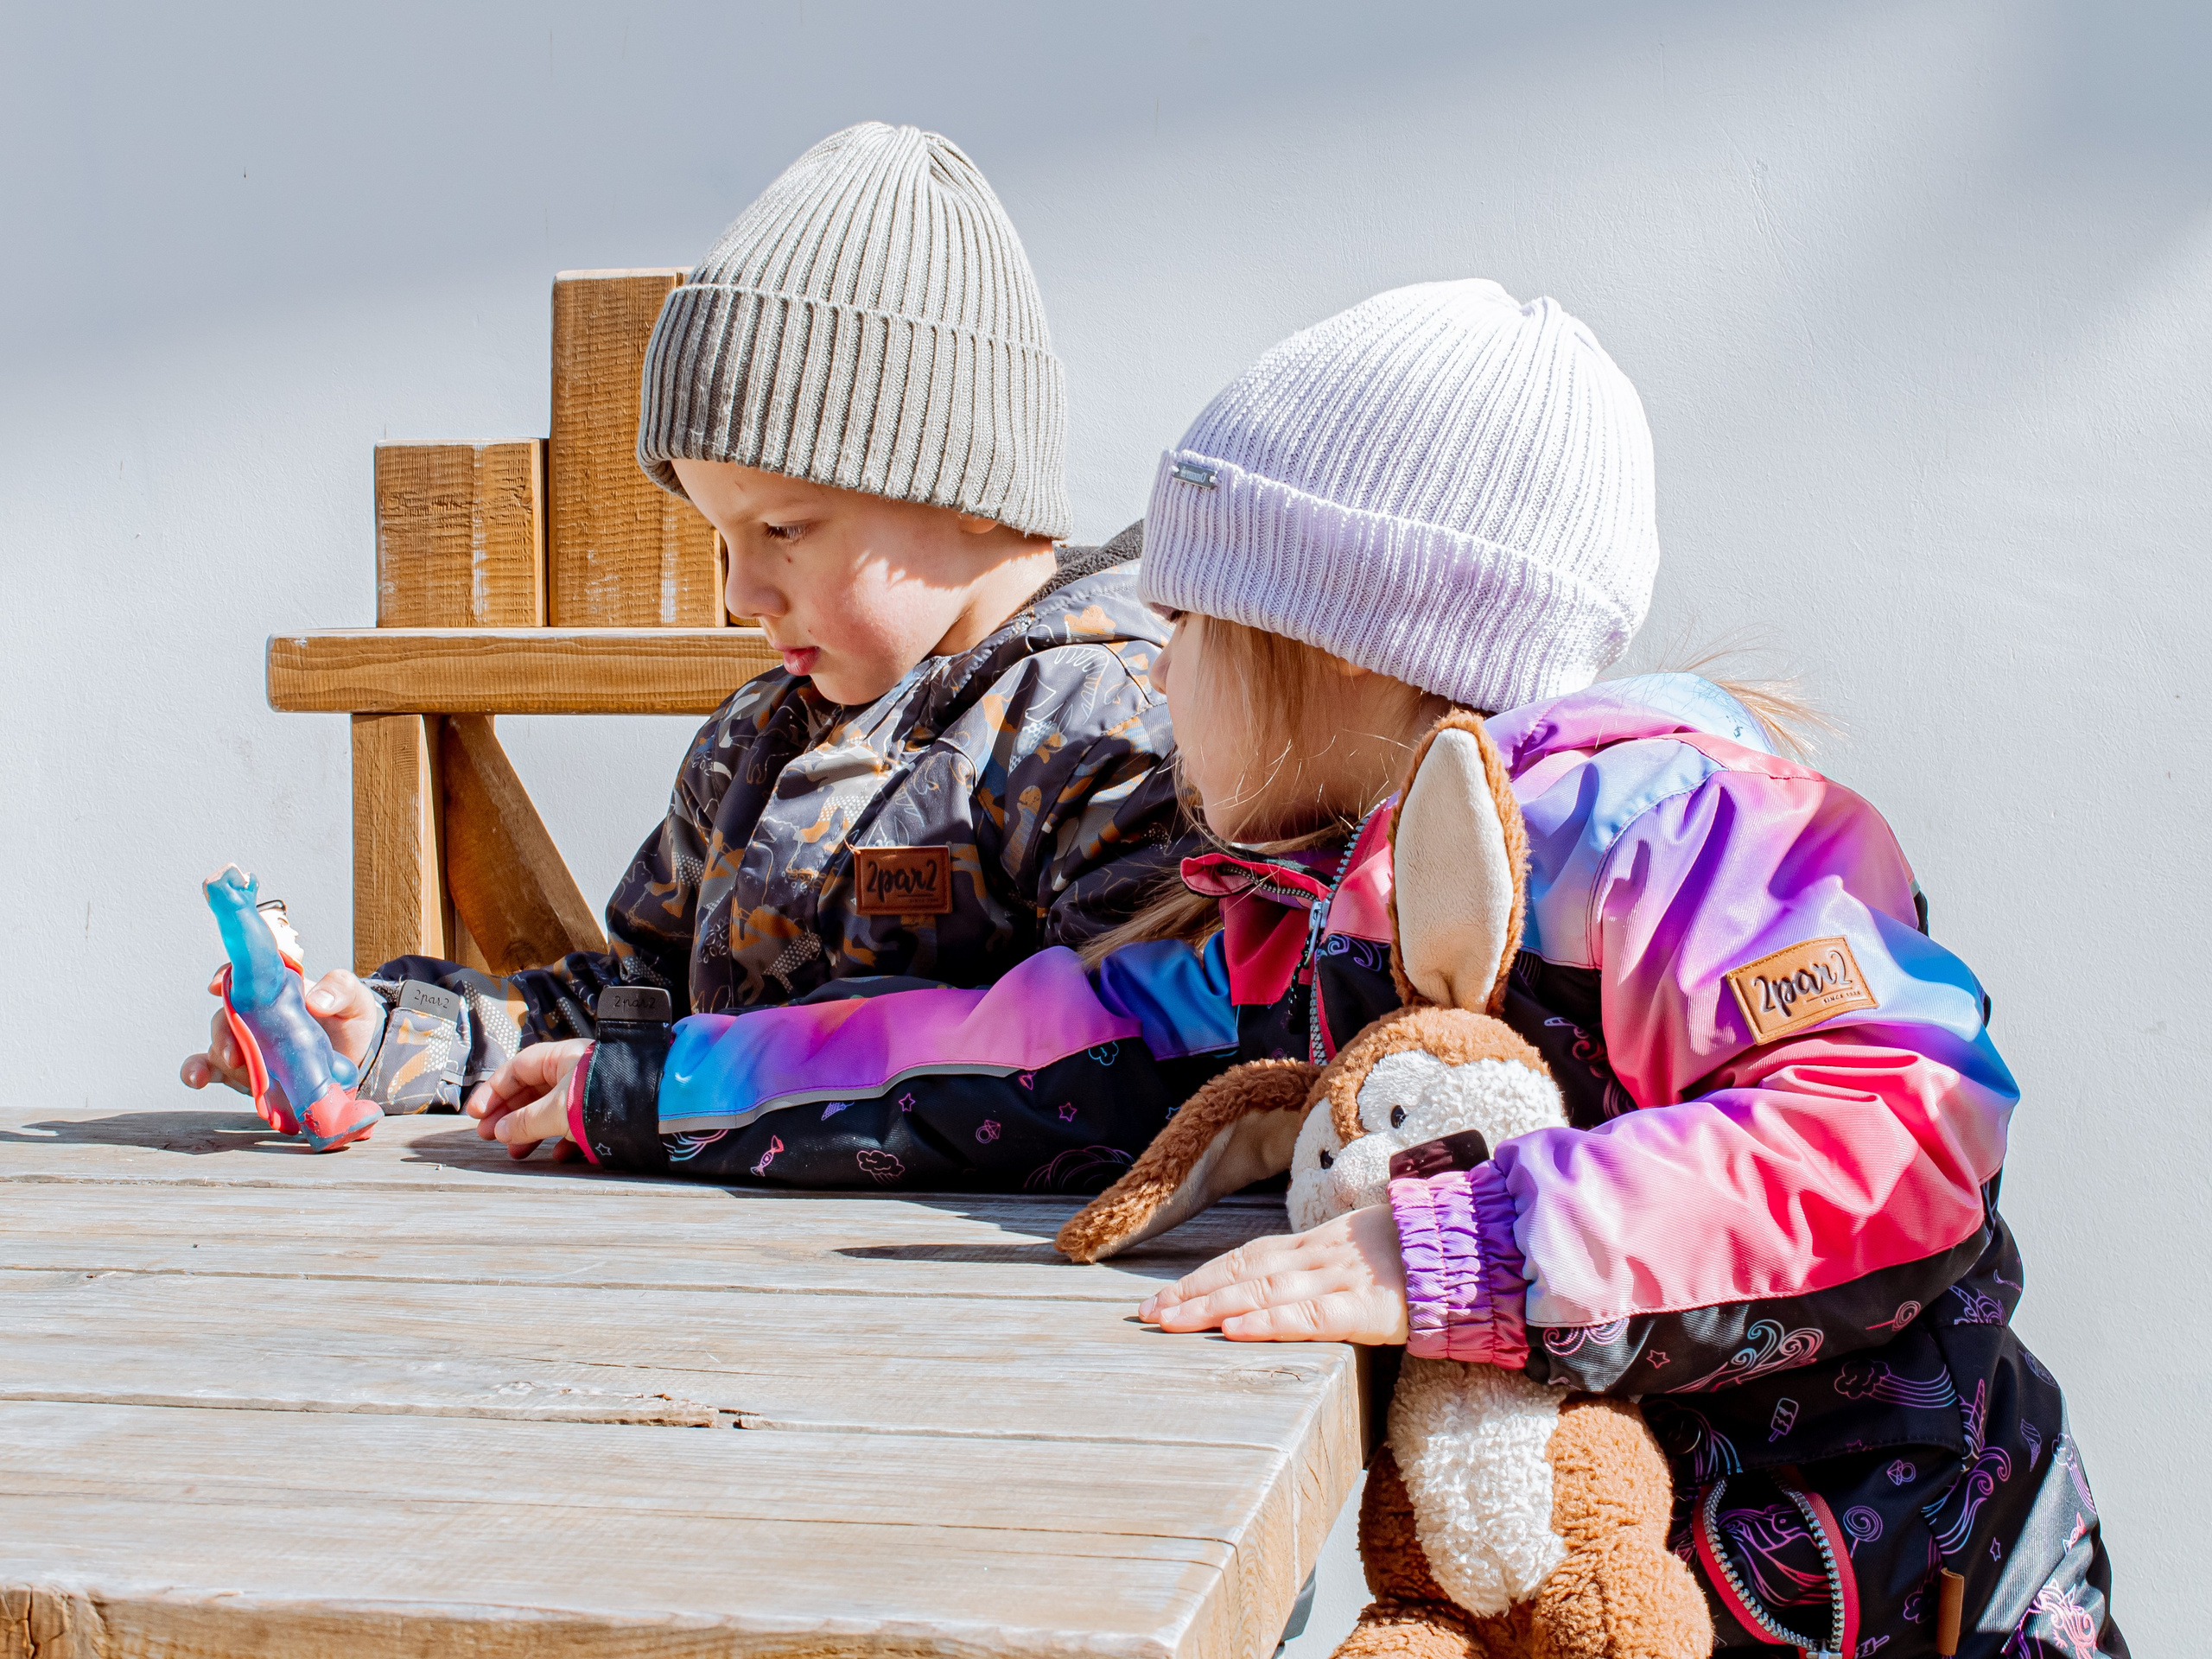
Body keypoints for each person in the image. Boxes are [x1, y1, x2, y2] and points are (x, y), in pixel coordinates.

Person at [474, 281, 2122, 1652]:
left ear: (1329, 643)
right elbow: (1033, 1044)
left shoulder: (1674, 831)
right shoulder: (1311, 910)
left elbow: (1901, 1133)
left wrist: (1486, 1249)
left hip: (1918, 1571)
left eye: (1186, 627)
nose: (1155, 669)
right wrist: (657, 1087)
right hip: (1598, 1576)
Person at [181, 122, 1183, 1161]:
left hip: (944, 1301)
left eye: (783, 531)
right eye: (721, 537)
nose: (742, 589)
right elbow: (629, 1010)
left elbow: (1119, 1069)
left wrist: (664, 1096)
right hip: (695, 1292)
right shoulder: (758, 740)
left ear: (971, 492)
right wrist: (402, 1039)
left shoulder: (1105, 728)